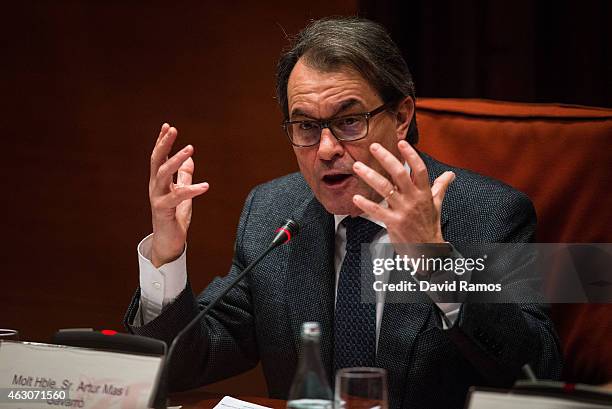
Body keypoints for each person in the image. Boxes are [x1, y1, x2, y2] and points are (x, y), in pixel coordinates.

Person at [125, 17, 561, 409]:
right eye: (306, 126)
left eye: (350, 121)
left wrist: (436, 262)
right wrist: (166, 255)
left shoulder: (487, 213)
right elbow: (186, 364)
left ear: (402, 115)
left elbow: (535, 373)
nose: (328, 149)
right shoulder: (272, 214)